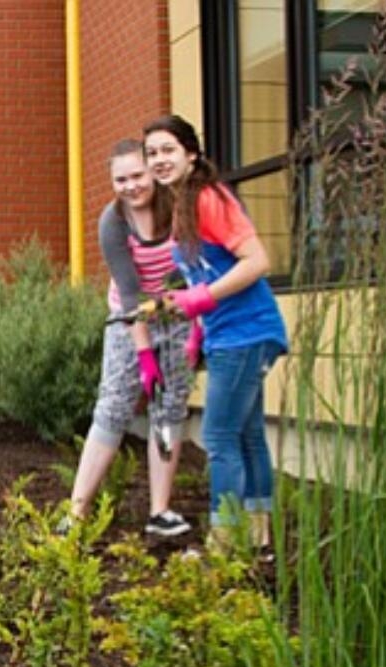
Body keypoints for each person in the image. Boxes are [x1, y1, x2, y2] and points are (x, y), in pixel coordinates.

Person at [143, 114, 288, 550]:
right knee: (246, 434)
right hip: (229, 334)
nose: (159, 160)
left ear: (191, 153)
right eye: (152, 153)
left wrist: (199, 301)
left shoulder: (209, 198)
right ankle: (258, 536)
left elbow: (257, 262)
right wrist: (196, 331)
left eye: (168, 150)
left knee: (219, 436)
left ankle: (224, 542)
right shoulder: (182, 205)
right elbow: (202, 276)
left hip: (247, 332)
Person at [66, 138, 199, 537]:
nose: (131, 186)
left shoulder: (178, 208)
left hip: (177, 316)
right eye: (121, 179)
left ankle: (160, 510)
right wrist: (144, 357)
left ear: (153, 174)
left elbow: (197, 273)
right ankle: (76, 513)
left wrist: (196, 330)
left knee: (170, 407)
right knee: (113, 406)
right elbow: (129, 294)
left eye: (138, 175)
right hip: (129, 319)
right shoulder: (113, 221)